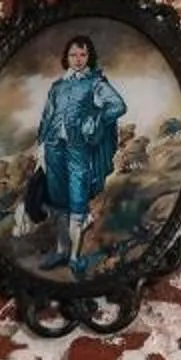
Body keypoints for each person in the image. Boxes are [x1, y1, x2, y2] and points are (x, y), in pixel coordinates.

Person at [34, 35, 127, 275]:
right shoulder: (58, 87)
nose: (78, 59)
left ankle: (75, 257)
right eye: (73, 54)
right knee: (58, 199)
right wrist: (40, 144)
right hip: (54, 147)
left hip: (78, 148)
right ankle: (61, 251)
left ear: (89, 57)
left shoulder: (95, 83)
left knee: (77, 198)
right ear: (66, 57)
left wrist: (94, 121)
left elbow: (117, 105)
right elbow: (47, 116)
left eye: (83, 55)